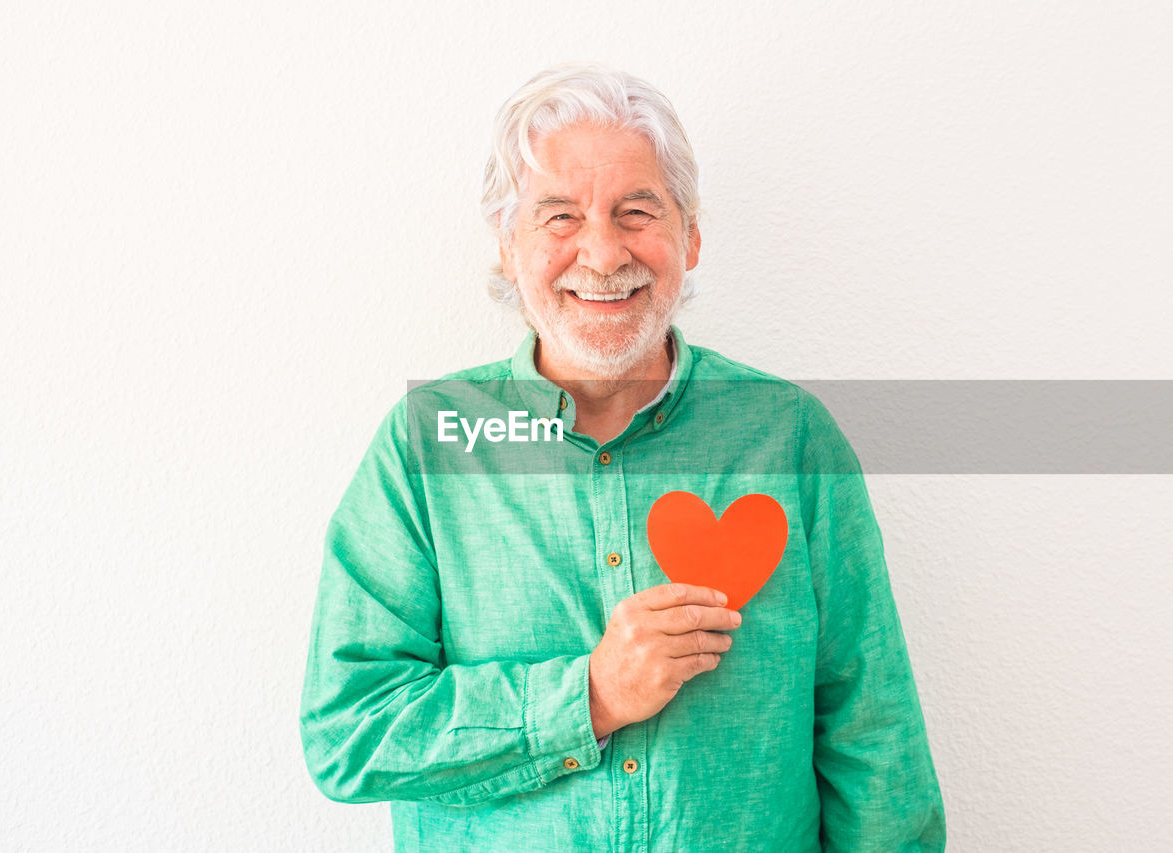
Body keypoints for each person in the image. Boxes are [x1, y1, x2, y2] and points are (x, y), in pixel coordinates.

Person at [299, 63, 946, 852]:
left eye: (637, 210)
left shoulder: (792, 438)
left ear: (691, 236)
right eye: (560, 217)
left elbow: (872, 737)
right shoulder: (427, 445)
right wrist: (590, 696)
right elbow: (349, 731)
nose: (603, 254)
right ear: (508, 247)